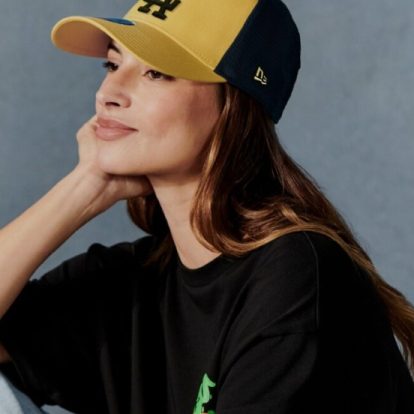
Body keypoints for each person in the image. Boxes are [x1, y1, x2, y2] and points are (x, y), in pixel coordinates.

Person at [0, 0, 413, 413]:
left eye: (156, 72)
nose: (107, 94)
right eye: (112, 65)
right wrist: (85, 185)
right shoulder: (136, 284)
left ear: (233, 106)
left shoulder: (295, 278)